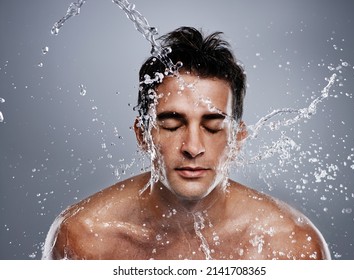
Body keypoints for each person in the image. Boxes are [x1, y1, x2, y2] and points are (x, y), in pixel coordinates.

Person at [42, 26, 330, 260]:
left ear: (237, 139)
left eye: (213, 126)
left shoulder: (292, 246)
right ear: (143, 135)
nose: (193, 147)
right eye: (171, 124)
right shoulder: (84, 238)